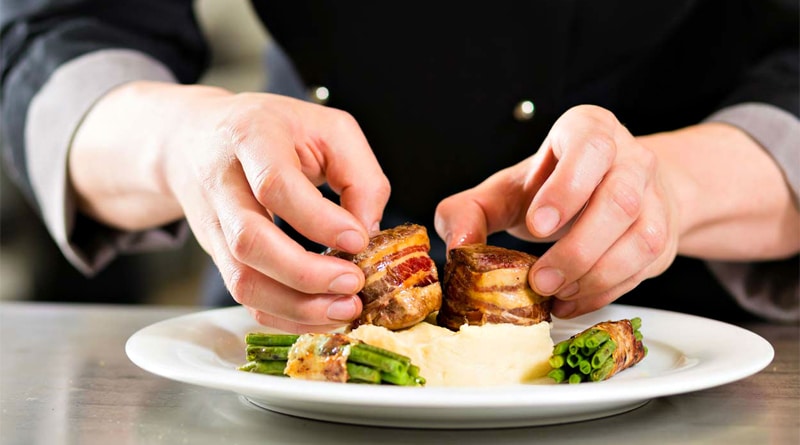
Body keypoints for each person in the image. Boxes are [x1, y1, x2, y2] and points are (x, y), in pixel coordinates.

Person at [2, 1, 797, 332]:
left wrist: (669, 188)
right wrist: (184, 141)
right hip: (293, 297)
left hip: (680, 333)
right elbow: (58, 30)